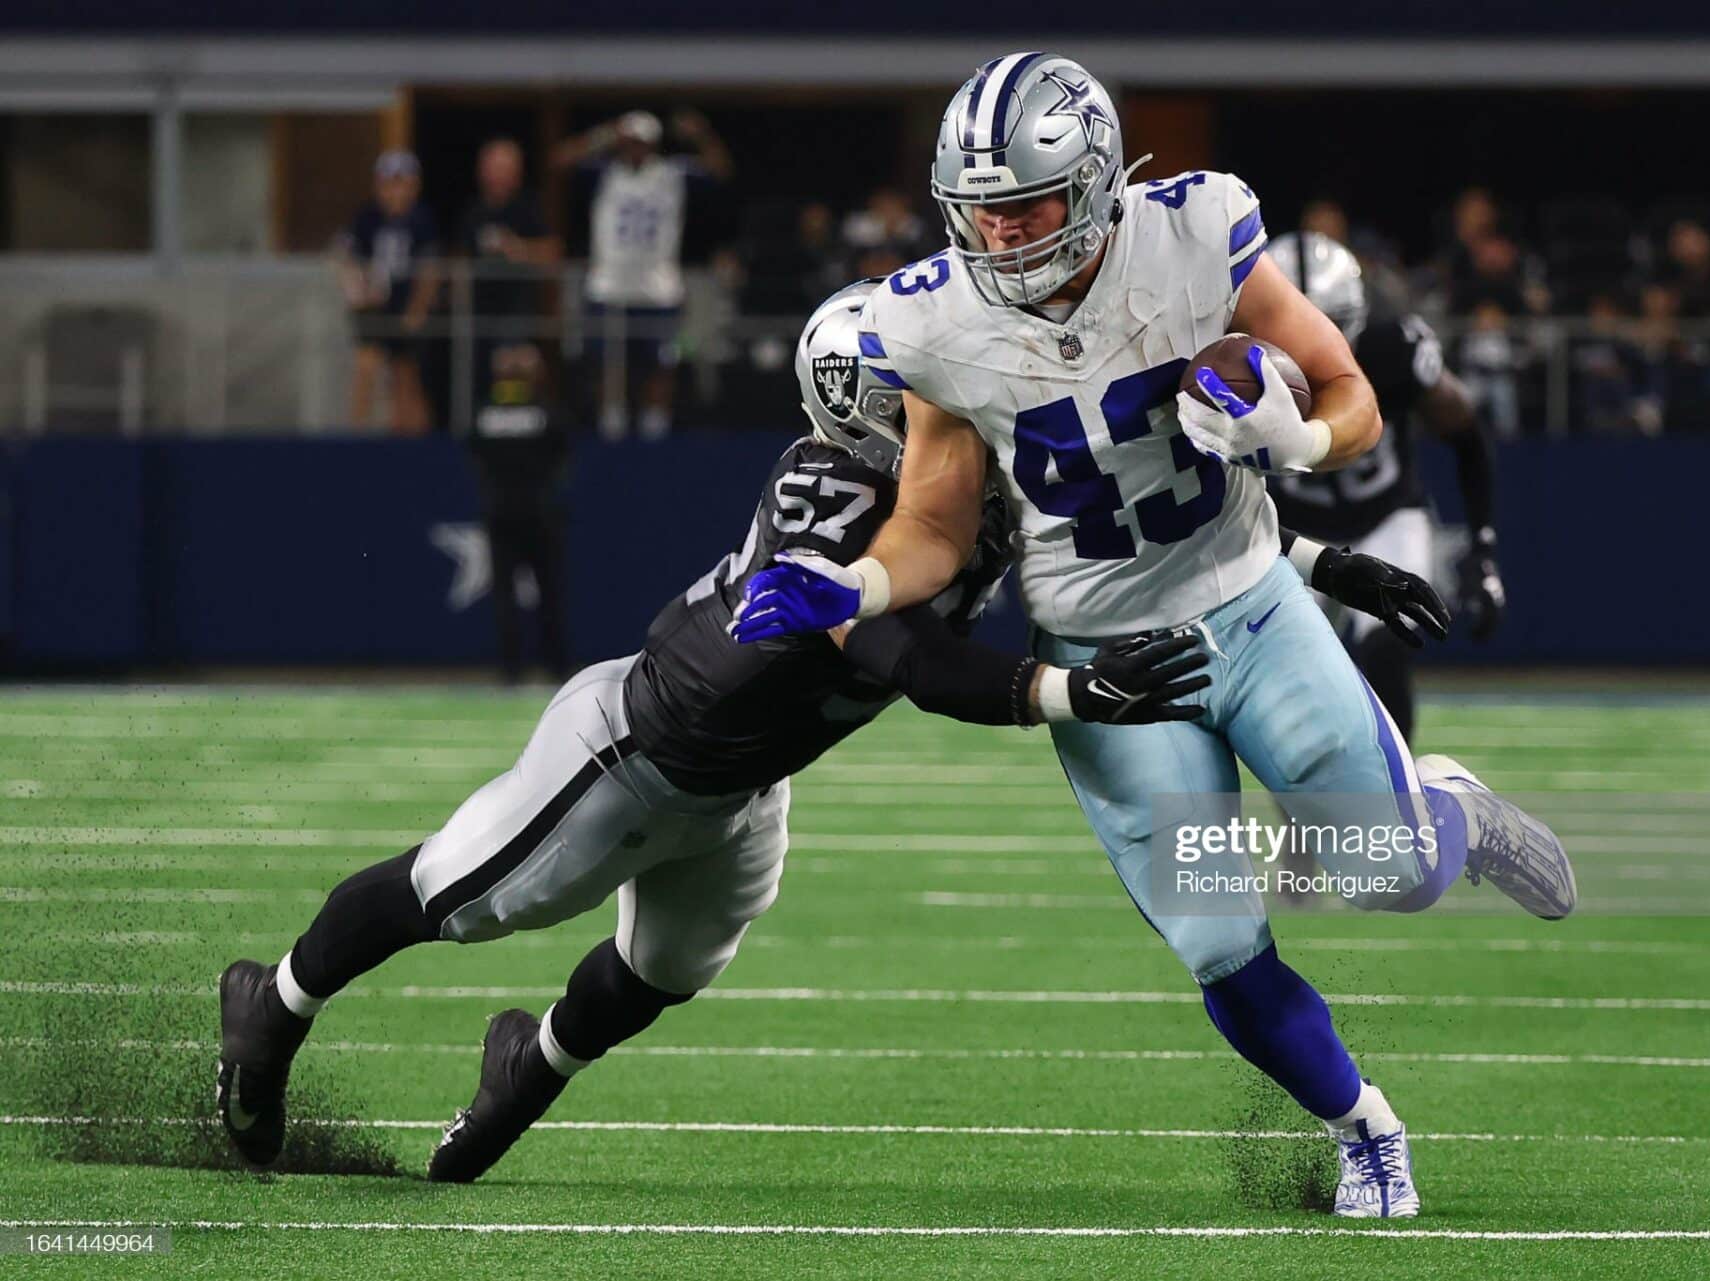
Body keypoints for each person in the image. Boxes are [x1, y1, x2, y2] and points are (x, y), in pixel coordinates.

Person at [215, 278, 1448, 1184]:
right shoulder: (838, 493)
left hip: (749, 786)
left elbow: (1127, 516)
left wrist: (1327, 563)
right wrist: (1073, 695)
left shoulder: (969, 476)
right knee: (463, 895)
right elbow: (907, 659)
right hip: (635, 752)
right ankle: (272, 1004)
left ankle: (518, 1078)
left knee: (662, 972)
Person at [732, 53, 1577, 1221]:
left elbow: (1350, 394)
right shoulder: (929, 319)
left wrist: (1296, 443)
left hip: (1250, 603)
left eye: (1028, 204)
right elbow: (934, 520)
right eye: (979, 208)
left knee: (1388, 876)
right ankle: (1363, 1130)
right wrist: (858, 586)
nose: (1000, 232)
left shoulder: (1194, 234)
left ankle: (1456, 816)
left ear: (1092, 181)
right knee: (1219, 939)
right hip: (1107, 661)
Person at [1266, 231, 1502, 745]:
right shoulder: (1240, 362)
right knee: (1288, 680)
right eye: (1294, 324)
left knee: (1387, 646)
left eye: (1329, 325)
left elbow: (1465, 433)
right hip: (1295, 531)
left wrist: (1484, 546)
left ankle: (1394, 787)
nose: (1310, 344)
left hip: (1384, 517)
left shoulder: (1391, 349)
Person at [555, 109, 733, 440]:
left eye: (642, 143)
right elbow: (561, 160)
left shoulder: (671, 173)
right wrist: (605, 134)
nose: (635, 149)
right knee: (608, 362)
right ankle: (611, 425)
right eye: (631, 142)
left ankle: (655, 426)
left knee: (662, 362)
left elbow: (720, 170)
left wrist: (700, 136)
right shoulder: (605, 171)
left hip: (658, 287)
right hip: (609, 284)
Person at [468, 343, 570, 683]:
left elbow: (475, 451)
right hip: (538, 513)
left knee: (505, 595)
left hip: (501, 513)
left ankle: (511, 668)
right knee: (549, 592)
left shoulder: (485, 412)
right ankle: (555, 665)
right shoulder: (544, 409)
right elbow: (562, 449)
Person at [338, 150, 441, 434]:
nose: (395, 192)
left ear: (414, 186)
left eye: (401, 184)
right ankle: (358, 435)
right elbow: (345, 258)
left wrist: (418, 308)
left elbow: (430, 270)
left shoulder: (421, 219)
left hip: (405, 305)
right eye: (388, 184)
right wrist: (359, 291)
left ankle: (410, 437)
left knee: (405, 373)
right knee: (366, 366)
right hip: (374, 307)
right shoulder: (367, 217)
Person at [455, 138, 562, 406]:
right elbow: (460, 257)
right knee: (485, 368)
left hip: (519, 307)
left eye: (504, 168)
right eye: (493, 168)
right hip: (480, 310)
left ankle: (520, 412)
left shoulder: (528, 208)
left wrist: (517, 248)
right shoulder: (473, 211)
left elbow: (553, 252)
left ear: (517, 172)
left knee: (517, 361)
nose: (497, 175)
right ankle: (493, 413)